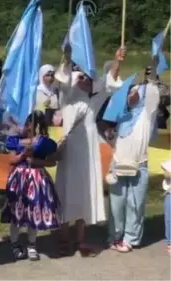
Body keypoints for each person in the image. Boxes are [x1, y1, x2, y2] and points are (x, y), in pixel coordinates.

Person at [55, 46, 125, 257]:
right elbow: (63, 78)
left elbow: (109, 81)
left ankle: (81, 240)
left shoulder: (94, 101)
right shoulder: (67, 98)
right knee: (67, 192)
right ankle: (64, 238)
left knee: (85, 194)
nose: (84, 80)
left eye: (87, 78)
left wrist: (117, 60)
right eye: (81, 78)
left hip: (88, 152)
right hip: (69, 151)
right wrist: (67, 56)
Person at [107, 63, 160, 253]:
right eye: (130, 93)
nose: (133, 95)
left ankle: (130, 238)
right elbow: (112, 86)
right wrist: (117, 62)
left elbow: (153, 93)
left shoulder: (147, 114)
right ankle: (115, 236)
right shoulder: (121, 115)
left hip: (139, 164)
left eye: (137, 93)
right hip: (118, 163)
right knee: (116, 203)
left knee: (134, 204)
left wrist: (152, 74)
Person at [1, 111, 61, 261]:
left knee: (35, 212)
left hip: (38, 178)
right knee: (17, 213)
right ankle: (14, 243)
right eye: (28, 124)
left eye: (35, 125)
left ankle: (32, 244)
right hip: (20, 178)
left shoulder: (45, 143)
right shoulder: (15, 140)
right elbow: (11, 160)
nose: (29, 127)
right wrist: (23, 156)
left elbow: (52, 161)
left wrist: (36, 162)